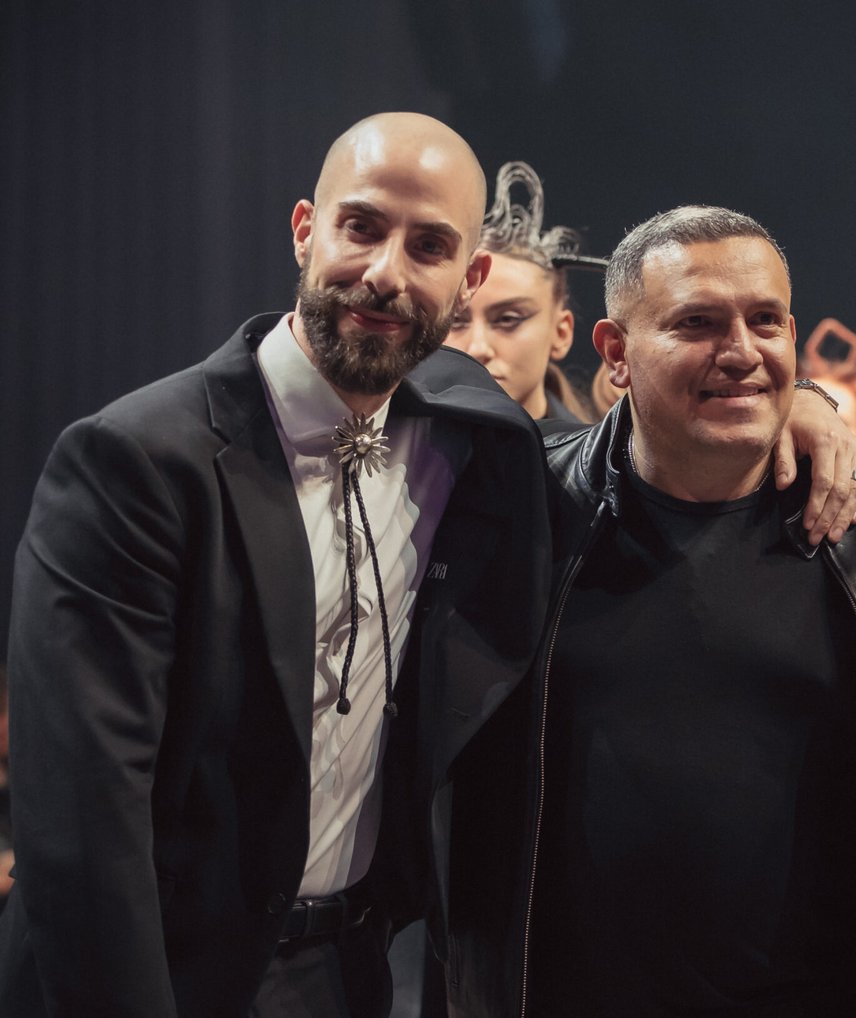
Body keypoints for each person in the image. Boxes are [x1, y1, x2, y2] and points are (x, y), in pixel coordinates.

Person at [0, 112, 549, 1017]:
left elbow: (614, 461)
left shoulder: (474, 442)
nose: (385, 272)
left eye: (429, 245)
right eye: (361, 226)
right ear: (305, 229)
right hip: (160, 973)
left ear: (470, 279)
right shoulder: (132, 459)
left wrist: (787, 407)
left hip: (348, 973)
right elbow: (81, 825)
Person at [441, 205, 856, 1017]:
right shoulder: (516, 518)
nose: (743, 351)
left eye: (766, 321)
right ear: (615, 353)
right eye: (698, 323)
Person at [445, 160, 598, 424]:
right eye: (455, 320)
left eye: (508, 319)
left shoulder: (600, 452)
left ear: (561, 333)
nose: (478, 348)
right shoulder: (392, 442)